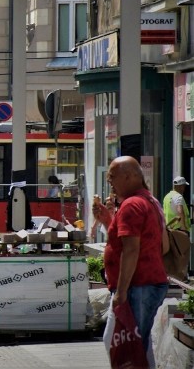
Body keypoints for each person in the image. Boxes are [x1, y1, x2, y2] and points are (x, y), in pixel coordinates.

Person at [93, 156, 168, 366]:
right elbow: (126, 242)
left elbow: (131, 249)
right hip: (144, 284)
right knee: (135, 343)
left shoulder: (131, 205)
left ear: (128, 177)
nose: (109, 182)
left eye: (112, 177)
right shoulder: (146, 200)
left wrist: (121, 291)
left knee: (126, 343)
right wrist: (108, 220)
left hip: (138, 285)